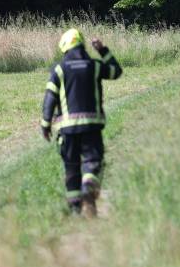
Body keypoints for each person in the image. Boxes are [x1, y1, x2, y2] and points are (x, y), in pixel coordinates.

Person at [41, 28, 122, 215]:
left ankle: (76, 210)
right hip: (91, 126)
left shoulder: (59, 69)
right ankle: (88, 188)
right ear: (82, 45)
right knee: (92, 162)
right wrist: (103, 50)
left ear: (64, 47)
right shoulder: (94, 66)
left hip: (67, 130)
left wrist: (45, 124)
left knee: (71, 168)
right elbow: (116, 71)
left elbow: (50, 98)